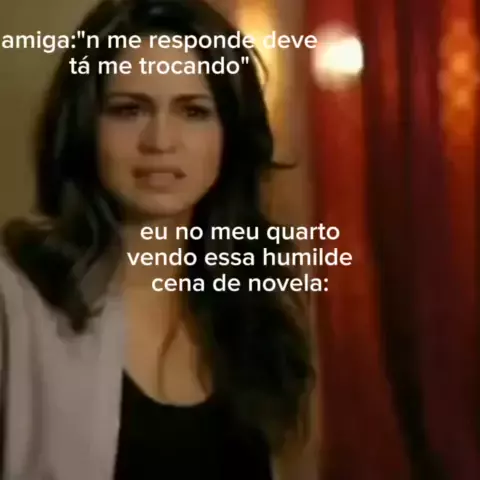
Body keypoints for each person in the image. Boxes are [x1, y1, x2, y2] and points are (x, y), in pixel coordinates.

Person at [0, 0, 318, 478]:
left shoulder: (251, 308)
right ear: (84, 125)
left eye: (193, 111)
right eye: (129, 110)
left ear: (230, 132)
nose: (161, 141)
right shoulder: (15, 299)